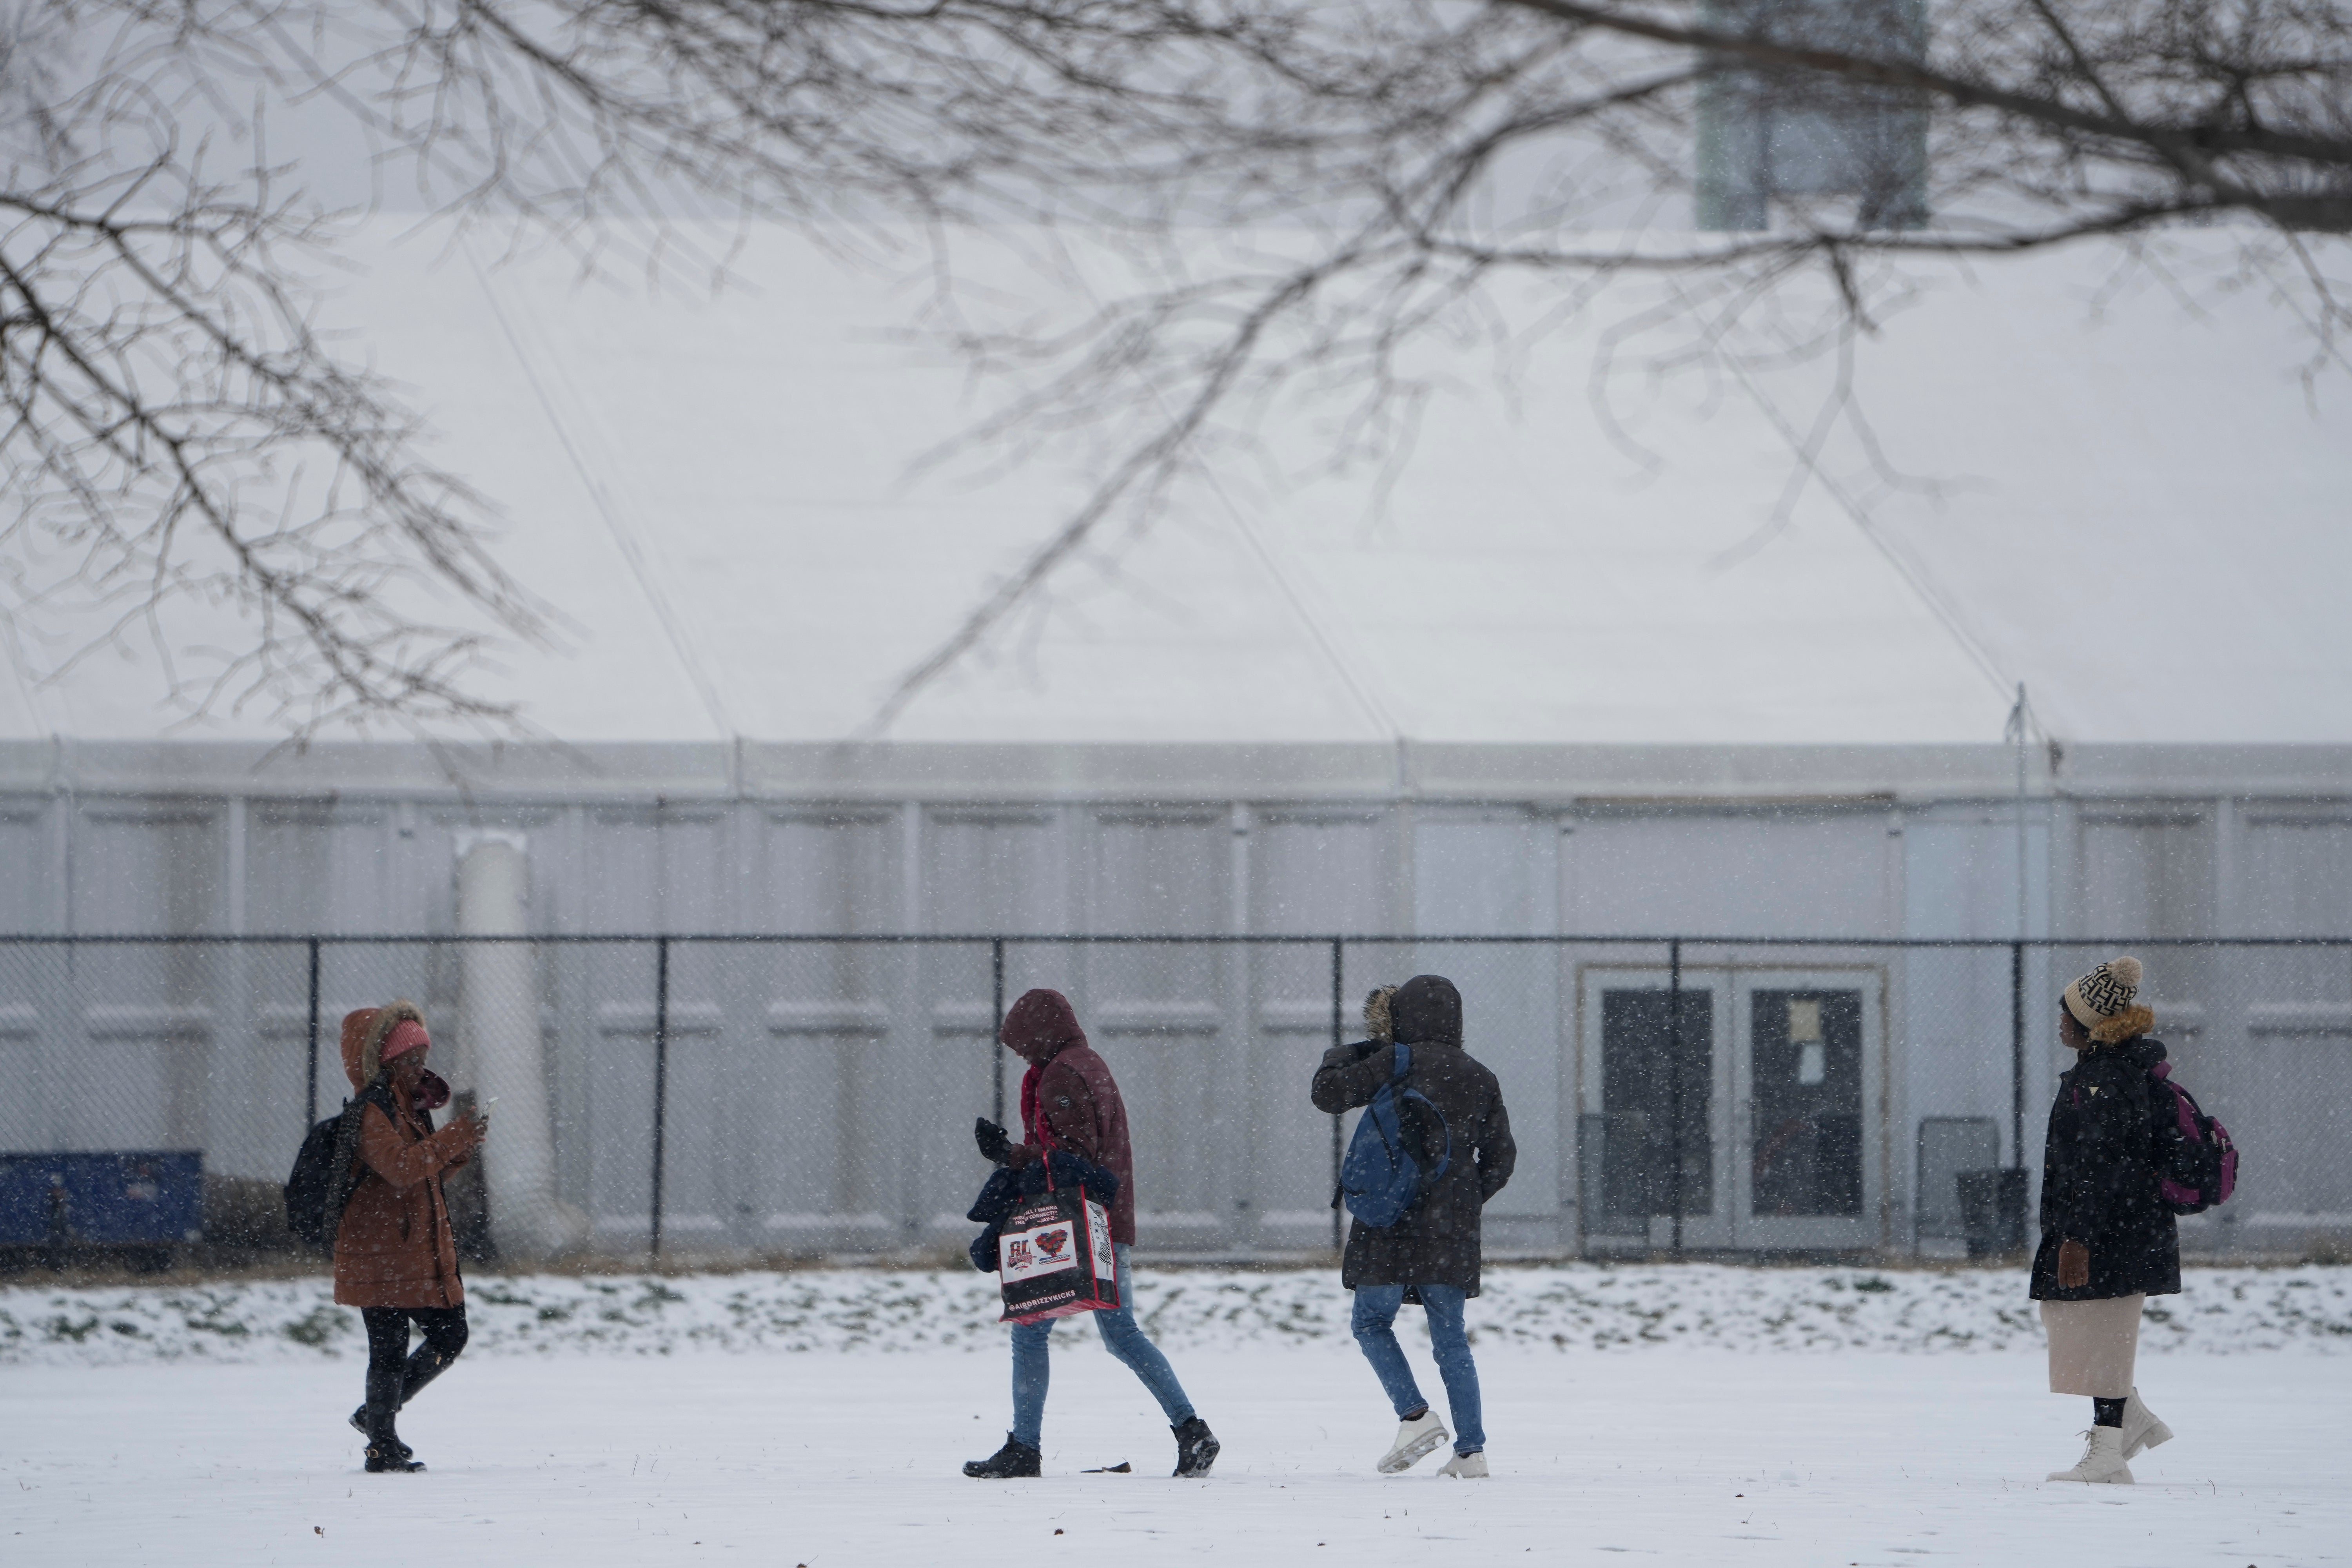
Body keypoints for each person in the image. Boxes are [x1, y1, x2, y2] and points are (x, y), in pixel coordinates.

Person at [963, 988, 1219, 1481]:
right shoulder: (1088, 1062)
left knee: (1032, 1332)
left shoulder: (1061, 1074)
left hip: (1072, 1224)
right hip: (1105, 1220)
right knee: (1120, 1334)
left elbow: (1072, 1156)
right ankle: (1192, 1430)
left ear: (1041, 1032)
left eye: (1022, 1043)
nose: (1019, 1053)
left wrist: (1011, 1156)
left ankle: (1025, 1449)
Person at [1312, 974, 1514, 1478]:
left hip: (1389, 1215)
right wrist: (1464, 1197)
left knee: (1371, 1321)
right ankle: (1471, 1452)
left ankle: (1415, 1416)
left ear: (1399, 1017)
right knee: (1451, 1339)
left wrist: (1352, 1051)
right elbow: (1501, 1157)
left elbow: (1328, 1095)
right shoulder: (1481, 1075)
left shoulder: (1395, 1061)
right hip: (1451, 1224)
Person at [2032, 956, 2179, 1485]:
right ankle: (2128, 1422)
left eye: (2066, 1012)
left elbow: (2101, 1163)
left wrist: (2080, 1237)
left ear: (2090, 1020)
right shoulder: (2101, 1072)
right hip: (2114, 1225)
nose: (2059, 1021)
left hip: (2114, 1229)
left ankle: (2109, 1453)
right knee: (2078, 1324)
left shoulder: (2107, 1077)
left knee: (2104, 1332)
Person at [333, 1002, 488, 1474]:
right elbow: (401, 1168)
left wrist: (459, 1147)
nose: (420, 1068)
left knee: (442, 1336)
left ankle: (378, 1425)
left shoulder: (406, 1106)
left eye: (422, 1058)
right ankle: (380, 1441)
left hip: (407, 1249)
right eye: (410, 1060)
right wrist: (452, 1137)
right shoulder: (370, 1113)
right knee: (395, 1345)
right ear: (384, 1061)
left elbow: (426, 1168)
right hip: (380, 1250)